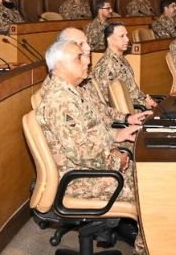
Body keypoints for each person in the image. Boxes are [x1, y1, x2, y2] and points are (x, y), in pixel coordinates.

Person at [36, 40, 146, 255]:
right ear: (59, 66)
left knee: (146, 173)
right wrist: (118, 159)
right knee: (146, 191)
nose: (87, 60)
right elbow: (82, 153)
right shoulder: (60, 101)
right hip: (79, 179)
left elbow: (94, 133)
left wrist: (117, 138)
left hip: (91, 167)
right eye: (79, 57)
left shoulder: (72, 91)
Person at [52, 28, 151, 127]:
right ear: (64, 51)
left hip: (109, 133)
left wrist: (127, 118)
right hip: (106, 138)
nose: (88, 48)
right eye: (81, 44)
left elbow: (102, 109)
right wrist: (115, 136)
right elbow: (82, 139)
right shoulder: (59, 96)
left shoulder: (83, 82)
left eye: (86, 43)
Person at [92, 23, 158, 111]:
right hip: (132, 114)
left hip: (139, 107)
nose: (127, 39)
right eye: (122, 36)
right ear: (109, 40)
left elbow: (132, 90)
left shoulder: (120, 59)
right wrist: (144, 104)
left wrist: (145, 99)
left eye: (126, 35)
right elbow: (110, 102)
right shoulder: (107, 65)